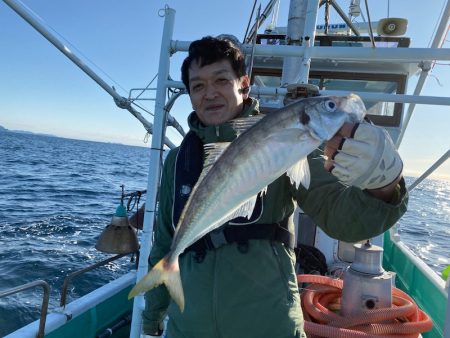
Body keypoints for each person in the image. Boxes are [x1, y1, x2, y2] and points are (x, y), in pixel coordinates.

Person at [140, 36, 407, 338]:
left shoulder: (291, 144)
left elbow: (339, 216)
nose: (210, 93)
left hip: (268, 325)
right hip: (188, 328)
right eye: (198, 86)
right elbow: (165, 240)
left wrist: (385, 184)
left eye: (221, 80)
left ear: (244, 84)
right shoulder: (178, 159)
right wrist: (152, 316)